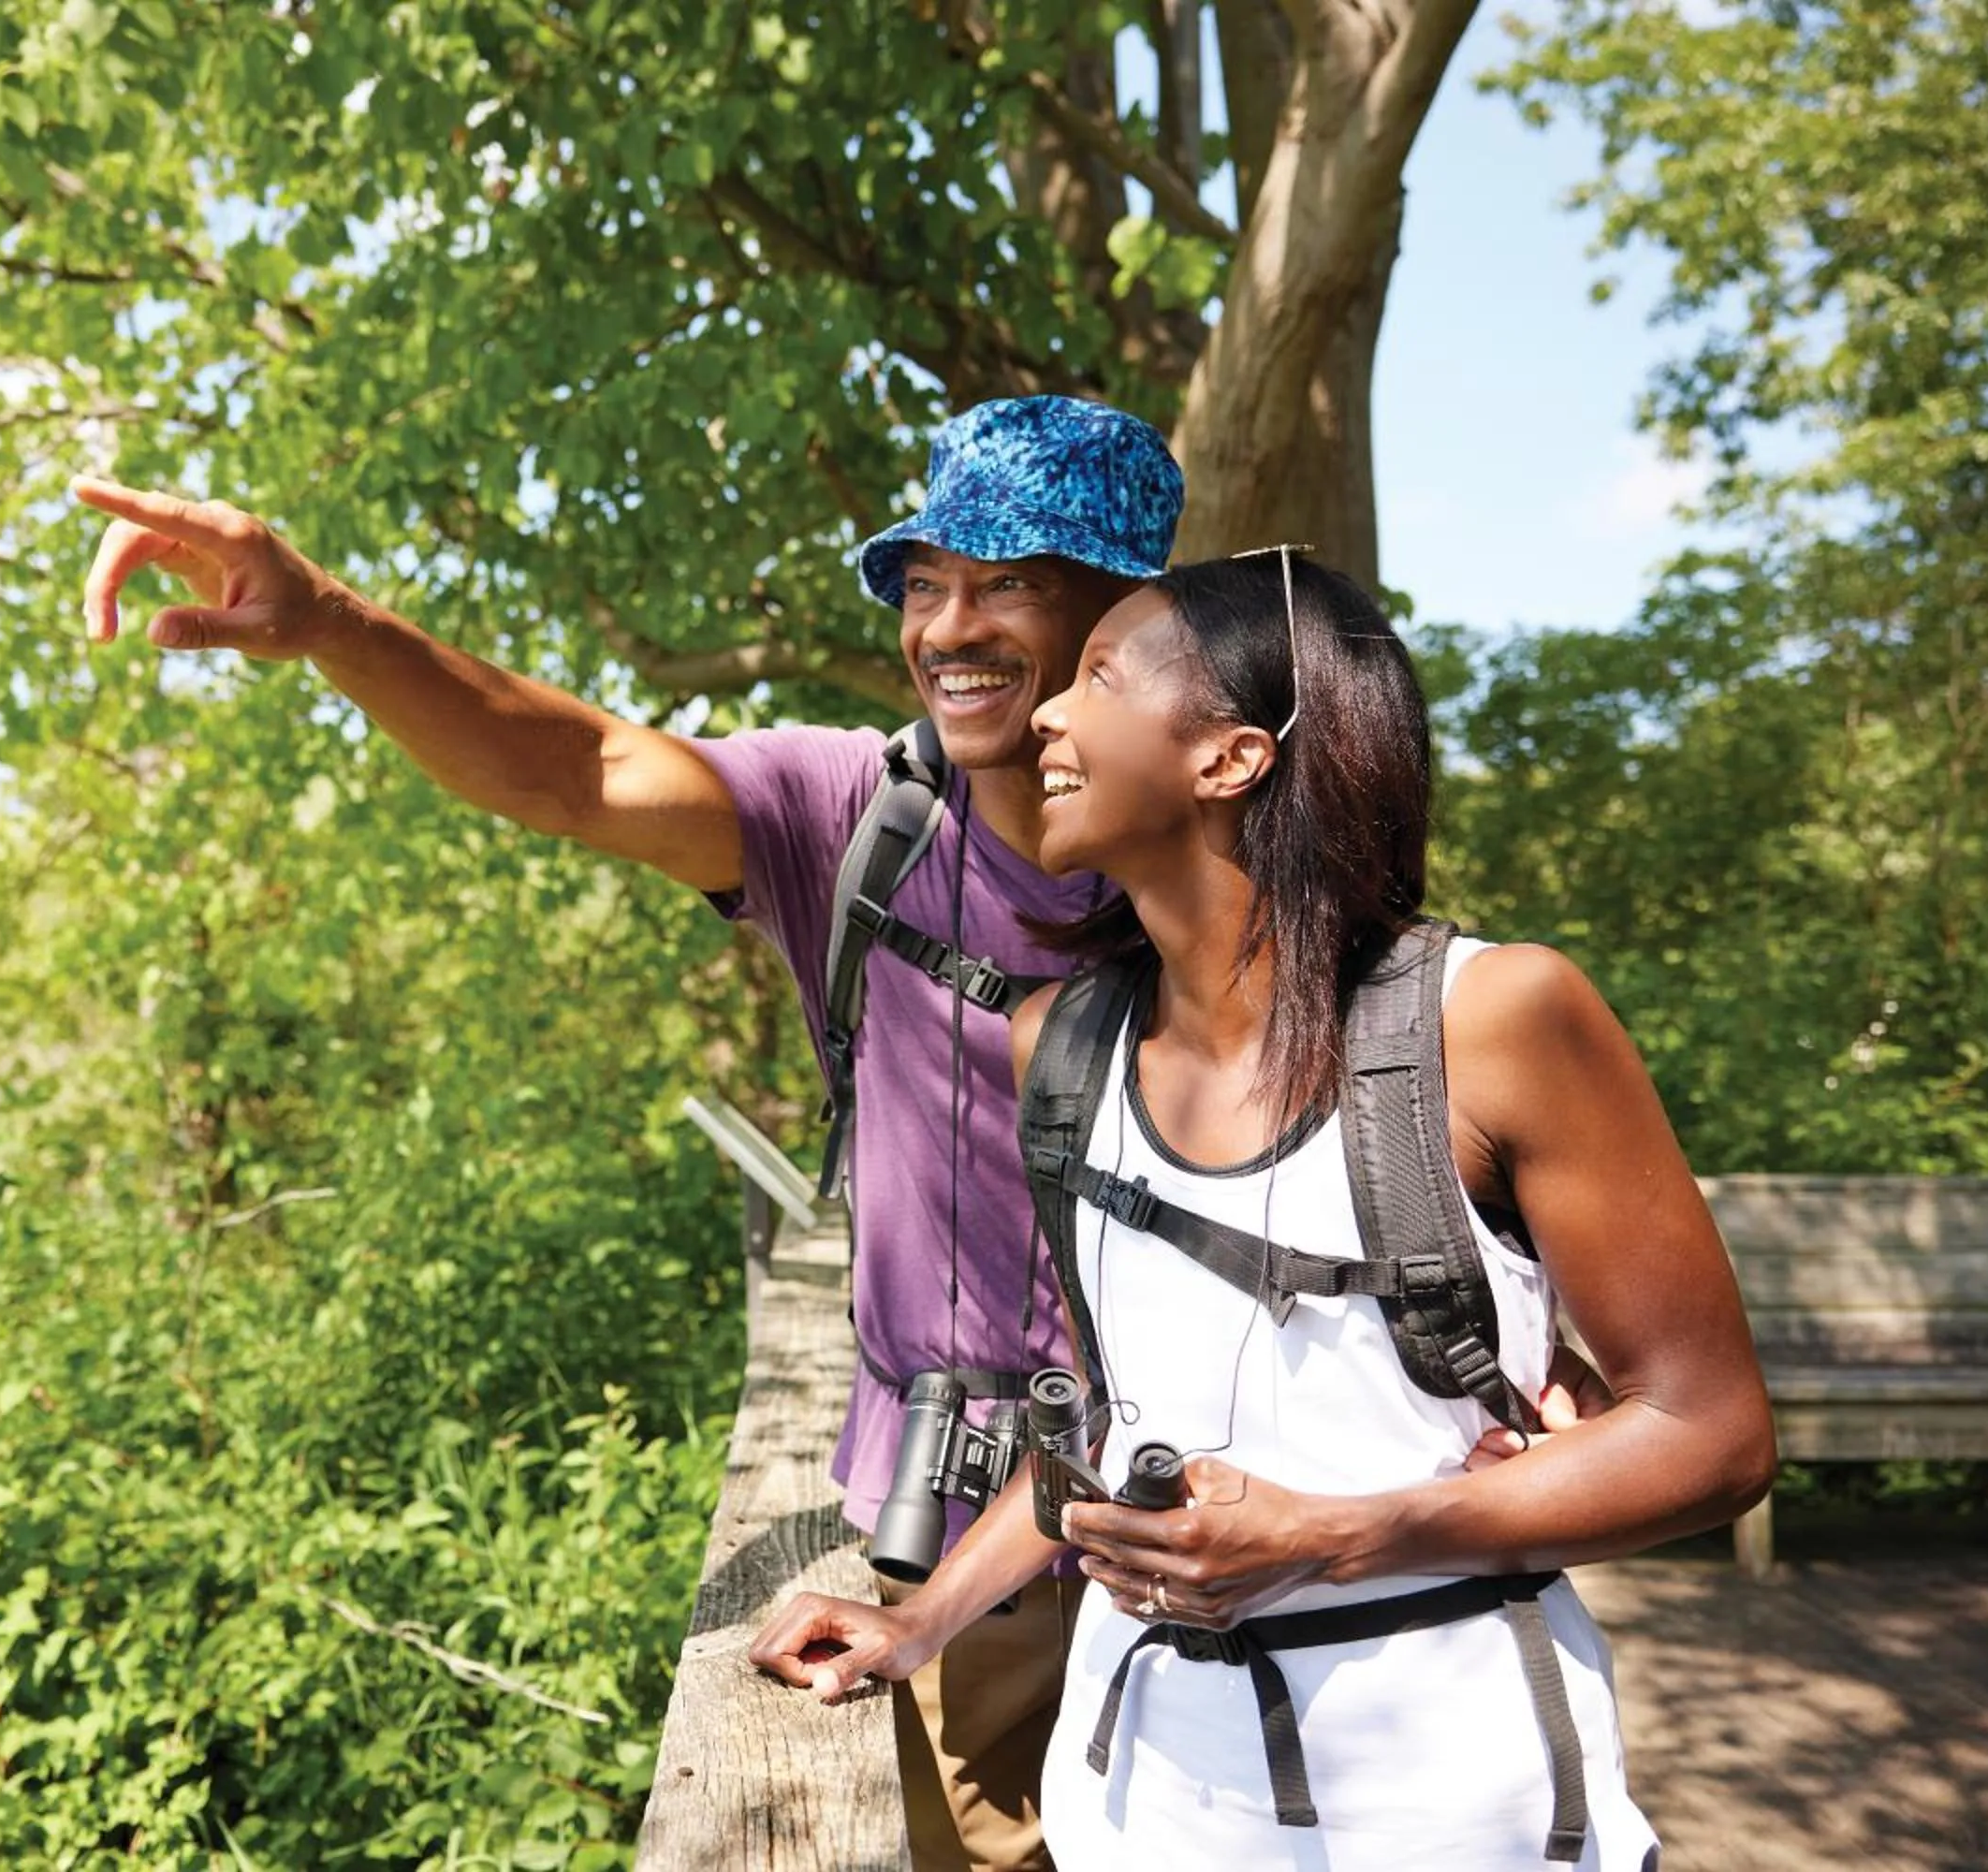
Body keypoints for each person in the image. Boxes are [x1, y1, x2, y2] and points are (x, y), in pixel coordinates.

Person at [73, 396, 1184, 1868]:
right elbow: (578, 768)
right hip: (934, 1522)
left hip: (1174, 1520)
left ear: (1126, 620)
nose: (950, 628)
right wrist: (333, 623)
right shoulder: (859, 815)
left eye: (1013, 583)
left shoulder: (1222, 848)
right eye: (927, 584)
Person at [749, 551, 1776, 1868]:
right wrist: (929, 1617)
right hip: (1133, 1809)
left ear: (1230, 760)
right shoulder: (1056, 1048)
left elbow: (1715, 1435)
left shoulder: (1492, 1021)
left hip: (1458, 1814)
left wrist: (1344, 1534)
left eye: (1102, 677)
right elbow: (1119, 1415)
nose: (1051, 710)